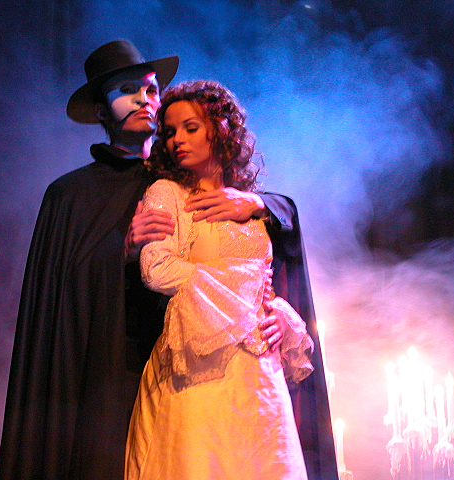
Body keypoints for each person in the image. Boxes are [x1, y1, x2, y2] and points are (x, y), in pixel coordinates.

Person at [0, 40, 289, 480]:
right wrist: (123, 249)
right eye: (126, 90)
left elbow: (256, 249)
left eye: (151, 89)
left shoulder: (191, 180)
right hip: (111, 369)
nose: (143, 99)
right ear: (101, 110)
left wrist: (261, 205)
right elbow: (60, 293)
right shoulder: (72, 194)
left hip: (197, 372)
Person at [124, 80, 322, 480]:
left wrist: (277, 312)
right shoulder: (168, 192)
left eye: (191, 127)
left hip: (258, 372)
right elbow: (156, 269)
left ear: (221, 129)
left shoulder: (248, 201)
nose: (178, 140)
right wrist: (241, 301)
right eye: (170, 131)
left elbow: (264, 276)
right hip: (197, 363)